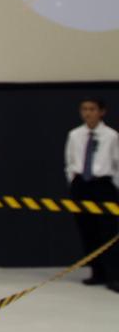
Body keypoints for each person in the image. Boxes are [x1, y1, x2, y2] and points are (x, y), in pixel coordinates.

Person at [64, 98, 119, 292]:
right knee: (87, 231)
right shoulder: (75, 135)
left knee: (108, 232)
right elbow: (70, 161)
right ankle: (97, 272)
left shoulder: (111, 136)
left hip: (103, 185)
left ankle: (114, 275)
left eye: (92, 109)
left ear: (102, 112)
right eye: (84, 109)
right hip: (81, 184)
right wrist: (74, 182)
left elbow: (116, 163)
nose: (88, 113)